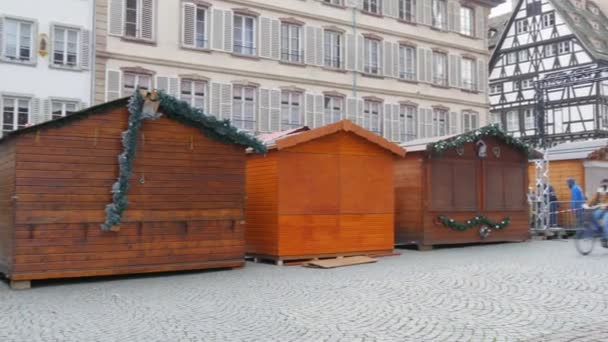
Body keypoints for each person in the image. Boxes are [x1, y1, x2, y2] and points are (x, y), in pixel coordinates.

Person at [583, 178, 608, 248]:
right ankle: (597, 230)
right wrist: (587, 205)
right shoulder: (600, 190)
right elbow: (594, 199)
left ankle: (605, 239)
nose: (603, 186)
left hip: (607, 210)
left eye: (605, 185)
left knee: (606, 222)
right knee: (593, 215)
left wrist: (606, 204)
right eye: (602, 185)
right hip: (601, 208)